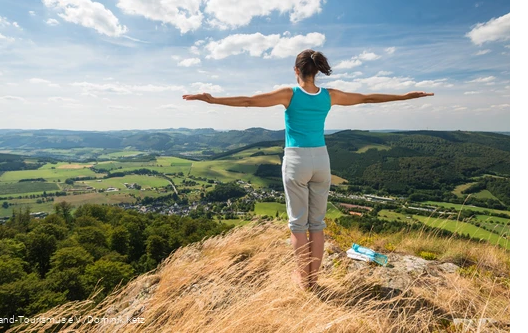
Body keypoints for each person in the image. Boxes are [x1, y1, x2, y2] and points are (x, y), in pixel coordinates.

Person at [182, 48, 434, 291]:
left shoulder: (289, 94)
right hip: (322, 160)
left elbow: (249, 101)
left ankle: (304, 280)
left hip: (296, 160)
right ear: (316, 72)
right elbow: (367, 98)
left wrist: (212, 100)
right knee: (317, 224)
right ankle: (314, 278)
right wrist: (404, 97)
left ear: (296, 70)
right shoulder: (330, 95)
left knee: (298, 225)